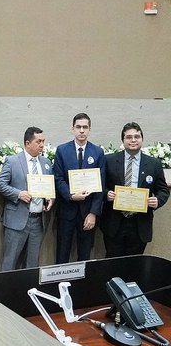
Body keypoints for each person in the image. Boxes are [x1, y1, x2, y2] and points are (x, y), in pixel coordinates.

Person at [102, 122, 169, 257]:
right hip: (114, 221)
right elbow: (100, 185)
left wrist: (158, 200)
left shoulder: (153, 164)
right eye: (129, 137)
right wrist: (106, 194)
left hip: (140, 223)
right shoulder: (108, 160)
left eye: (137, 136)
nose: (133, 140)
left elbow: (163, 190)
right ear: (123, 140)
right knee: (112, 262)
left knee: (135, 264)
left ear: (142, 139)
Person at [0, 127, 54, 271]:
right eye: (38, 141)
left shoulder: (46, 163)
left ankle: (28, 293)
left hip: (38, 220)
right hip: (17, 219)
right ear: (27, 143)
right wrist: (18, 194)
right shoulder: (13, 161)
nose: (42, 145)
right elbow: (0, 184)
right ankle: (5, 292)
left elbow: (50, 187)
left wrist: (51, 198)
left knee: (33, 265)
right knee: (10, 262)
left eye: (43, 141)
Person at [53, 113, 105, 264]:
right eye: (78, 127)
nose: (81, 131)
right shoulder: (62, 150)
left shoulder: (97, 152)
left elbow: (100, 185)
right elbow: (58, 178)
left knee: (84, 255)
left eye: (85, 127)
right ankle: (60, 285)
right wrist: (70, 195)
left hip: (87, 213)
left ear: (89, 129)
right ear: (72, 129)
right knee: (62, 253)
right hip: (67, 211)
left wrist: (93, 213)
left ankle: (82, 287)